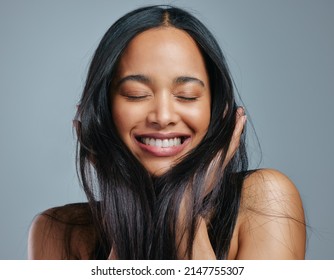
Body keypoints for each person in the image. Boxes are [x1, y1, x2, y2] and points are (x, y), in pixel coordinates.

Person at [28, 5, 306, 260]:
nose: (163, 117)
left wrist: (184, 215)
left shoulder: (267, 200)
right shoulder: (57, 232)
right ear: (101, 112)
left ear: (218, 111)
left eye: (186, 95)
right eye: (136, 94)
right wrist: (131, 205)